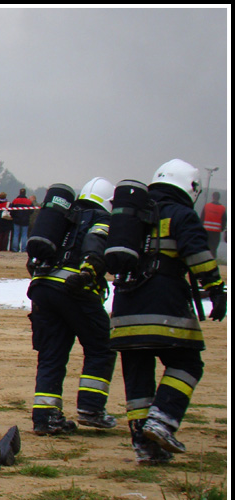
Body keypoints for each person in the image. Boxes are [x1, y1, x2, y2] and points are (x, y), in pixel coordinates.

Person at [110, 159, 227, 464]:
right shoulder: (181, 214)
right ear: (190, 187)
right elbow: (197, 254)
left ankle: (144, 444)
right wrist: (215, 287)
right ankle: (162, 421)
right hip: (164, 305)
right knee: (187, 363)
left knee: (137, 375)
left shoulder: (133, 214)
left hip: (124, 308)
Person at [27, 178, 118, 435]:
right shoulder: (101, 218)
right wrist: (89, 271)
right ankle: (91, 408)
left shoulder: (65, 216)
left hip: (42, 287)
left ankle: (45, 417)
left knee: (51, 353)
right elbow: (96, 242)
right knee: (101, 347)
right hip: (74, 290)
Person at [200, 191, 226, 259]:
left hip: (206, 231)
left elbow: (201, 218)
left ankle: (204, 260)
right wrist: (222, 229)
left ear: (212, 197)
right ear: (219, 198)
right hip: (216, 232)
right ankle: (212, 262)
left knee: (205, 247)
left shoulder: (206, 206)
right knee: (213, 249)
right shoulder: (222, 208)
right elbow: (224, 221)